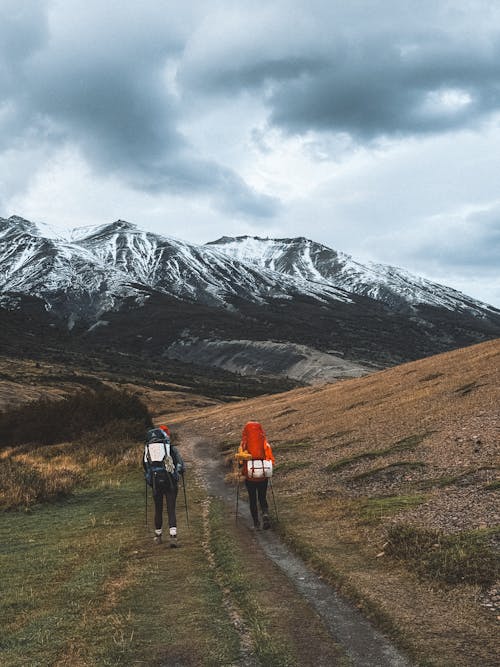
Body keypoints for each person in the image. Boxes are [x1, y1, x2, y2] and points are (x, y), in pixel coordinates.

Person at [143, 427, 185, 547]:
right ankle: (173, 537)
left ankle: (158, 536)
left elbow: (145, 467)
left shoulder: (148, 449)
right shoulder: (170, 448)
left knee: (158, 508)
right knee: (171, 508)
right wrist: (178, 472)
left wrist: (150, 480)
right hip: (170, 482)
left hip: (156, 482)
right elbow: (180, 465)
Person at [237, 421, 275, 530]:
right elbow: (270, 457)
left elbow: (240, 460)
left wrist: (240, 468)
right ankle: (265, 514)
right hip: (263, 475)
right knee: (262, 497)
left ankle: (256, 524)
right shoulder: (264, 442)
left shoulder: (244, 443)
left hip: (250, 476)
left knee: (252, 499)